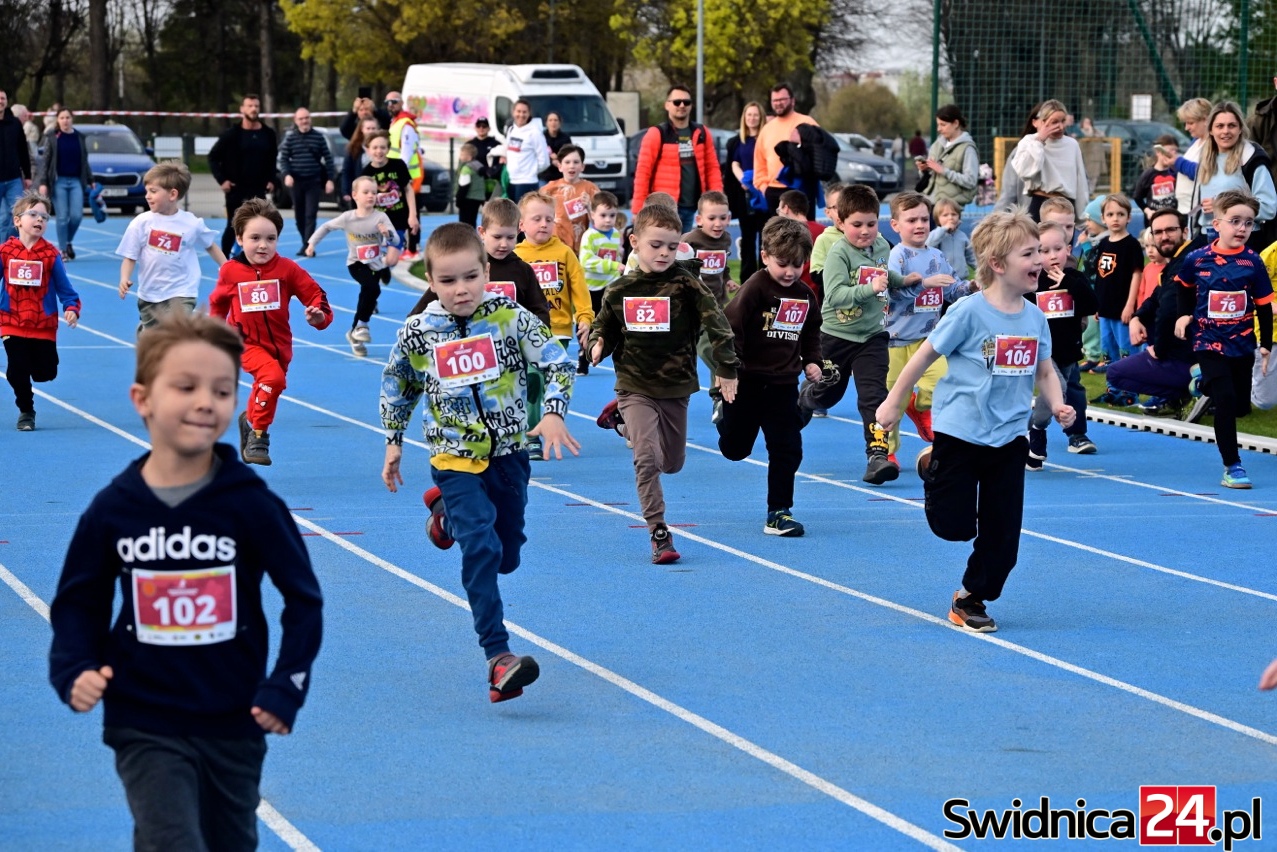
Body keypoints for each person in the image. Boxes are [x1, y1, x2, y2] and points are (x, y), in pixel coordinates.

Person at [47, 310, 323, 851]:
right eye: (186, 387)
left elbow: (303, 599)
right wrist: (74, 666)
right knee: (173, 841)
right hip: (143, 717)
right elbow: (78, 601)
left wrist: (286, 684)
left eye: (222, 390)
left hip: (233, 718)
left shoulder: (251, 505)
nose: (205, 402)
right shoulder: (115, 508)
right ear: (143, 399)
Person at [380, 223, 578, 703]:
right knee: (482, 550)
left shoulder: (510, 318)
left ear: (487, 272)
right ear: (430, 281)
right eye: (448, 281)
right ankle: (497, 656)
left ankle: (444, 516)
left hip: (509, 455)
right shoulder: (420, 332)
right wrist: (393, 440)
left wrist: (553, 413)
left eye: (470, 277)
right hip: (454, 458)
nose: (461, 289)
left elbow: (557, 361)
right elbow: (399, 384)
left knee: (508, 555)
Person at [876, 210, 1075, 634]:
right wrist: (893, 402)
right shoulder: (969, 311)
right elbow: (925, 356)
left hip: (1010, 438)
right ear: (998, 264)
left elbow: (1044, 370)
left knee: (1004, 537)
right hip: (961, 432)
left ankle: (971, 597)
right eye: (1029, 253)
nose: (1040, 260)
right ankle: (932, 464)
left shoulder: (1035, 317)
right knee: (954, 527)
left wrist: (1058, 404)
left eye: (1039, 252)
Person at [588, 203, 739, 564]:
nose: (663, 253)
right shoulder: (620, 289)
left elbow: (718, 325)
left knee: (671, 463)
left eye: (671, 247)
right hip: (634, 383)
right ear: (634, 242)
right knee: (647, 459)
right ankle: (658, 531)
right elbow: (604, 325)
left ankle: (623, 424)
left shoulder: (687, 285)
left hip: (676, 385)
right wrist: (597, 344)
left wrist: (727, 368)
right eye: (655, 245)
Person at [797, 184, 921, 484]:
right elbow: (835, 295)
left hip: (872, 336)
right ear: (841, 223)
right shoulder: (839, 253)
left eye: (871, 224)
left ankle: (877, 455)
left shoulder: (881, 246)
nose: (865, 231)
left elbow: (882, 272)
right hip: (837, 336)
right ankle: (806, 398)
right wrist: (869, 289)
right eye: (857, 225)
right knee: (829, 394)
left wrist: (902, 280)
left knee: (874, 396)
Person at [208, 199, 334, 466]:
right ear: (240, 239)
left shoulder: (287, 269)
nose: (263, 245)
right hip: (244, 342)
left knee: (269, 386)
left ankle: (250, 420)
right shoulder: (230, 271)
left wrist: (319, 317)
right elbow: (218, 303)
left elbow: (315, 294)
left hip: (280, 345)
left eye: (270, 238)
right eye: (255, 238)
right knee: (272, 379)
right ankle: (258, 436)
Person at [716, 216, 821, 535]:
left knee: (787, 447)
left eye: (797, 265)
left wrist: (812, 361)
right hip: (747, 381)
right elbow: (730, 328)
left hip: (783, 384)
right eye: (782, 264)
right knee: (736, 449)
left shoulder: (804, 295)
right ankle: (723, 413)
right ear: (765, 257)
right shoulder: (755, 287)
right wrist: (729, 370)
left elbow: (811, 331)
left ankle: (779, 511)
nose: (790, 272)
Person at [1173, 189, 1273, 488]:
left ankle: (1204, 382)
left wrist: (1265, 345)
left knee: (1240, 404)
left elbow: (1264, 305)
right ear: (1217, 224)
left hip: (1241, 342)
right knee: (1226, 400)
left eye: (1249, 223)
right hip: (1208, 339)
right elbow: (1182, 287)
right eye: (1235, 221)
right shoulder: (1197, 259)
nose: (1242, 228)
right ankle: (1233, 466)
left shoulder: (1253, 262)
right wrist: (1184, 315)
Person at [883, 192, 973, 466]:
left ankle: (920, 405)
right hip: (895, 341)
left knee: (943, 382)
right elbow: (892, 294)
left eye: (924, 219)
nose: (920, 225)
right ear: (895, 225)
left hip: (929, 340)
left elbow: (952, 289)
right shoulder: (896, 257)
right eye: (912, 220)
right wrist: (923, 284)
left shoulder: (936, 255)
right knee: (892, 399)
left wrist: (972, 287)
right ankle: (886, 451)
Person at [513, 191, 592, 456]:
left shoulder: (564, 253)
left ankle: (548, 424)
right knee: (532, 381)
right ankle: (532, 435)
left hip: (558, 331)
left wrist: (585, 317)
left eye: (549, 219)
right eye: (536, 219)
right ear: (521, 224)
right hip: (525, 334)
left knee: (549, 383)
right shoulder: (516, 256)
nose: (544, 224)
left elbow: (579, 288)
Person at [1, 191, 80, 431]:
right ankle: (26, 410)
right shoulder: (5, 252)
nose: (39, 220)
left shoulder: (51, 255)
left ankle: (40, 368)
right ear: (17, 220)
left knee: (45, 372)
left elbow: (65, 288)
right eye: (33, 214)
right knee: (16, 370)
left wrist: (71, 307)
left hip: (42, 324)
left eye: (44, 217)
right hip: (11, 320)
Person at [117, 162, 226, 334]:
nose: (147, 196)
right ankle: (145, 331)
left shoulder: (191, 223)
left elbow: (210, 246)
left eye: (153, 191)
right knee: (155, 340)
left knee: (177, 331)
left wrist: (227, 268)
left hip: (182, 290)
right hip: (150, 293)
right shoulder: (141, 222)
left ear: (172, 194)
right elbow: (130, 256)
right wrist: (124, 278)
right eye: (147, 191)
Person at [408, 197, 552, 328]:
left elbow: (540, 311)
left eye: (510, 237)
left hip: (511, 343)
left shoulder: (523, 270)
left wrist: (531, 334)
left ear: (518, 233)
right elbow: (420, 310)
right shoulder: (467, 266)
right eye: (497, 237)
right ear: (482, 232)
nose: (504, 244)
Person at [1106, 209, 1196, 414]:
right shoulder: (1176, 262)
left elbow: (1168, 310)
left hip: (1185, 354)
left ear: (1185, 231)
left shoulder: (1187, 262)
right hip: (1182, 351)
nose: (1164, 236)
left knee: (1115, 373)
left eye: (1170, 230)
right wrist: (1137, 317)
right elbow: (1156, 296)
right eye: (1158, 232)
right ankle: (1180, 394)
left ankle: (1192, 389)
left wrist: (1159, 350)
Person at [1026, 220, 1100, 469]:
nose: (1052, 256)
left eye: (1057, 249)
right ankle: (1038, 431)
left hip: (1068, 350)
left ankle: (1035, 429)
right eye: (1044, 251)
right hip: (1042, 352)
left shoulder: (1075, 278)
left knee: (1054, 395)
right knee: (1057, 388)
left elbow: (1092, 305)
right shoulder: (1033, 281)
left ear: (1068, 250)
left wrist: (1070, 284)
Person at [305, 175, 401, 356]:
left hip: (375, 264)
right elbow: (326, 227)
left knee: (369, 295)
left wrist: (386, 233)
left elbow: (395, 240)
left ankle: (355, 333)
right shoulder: (348, 218)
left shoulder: (381, 217)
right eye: (366, 192)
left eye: (374, 192)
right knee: (371, 288)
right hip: (355, 263)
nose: (371, 195)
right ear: (355, 195)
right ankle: (362, 326)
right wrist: (311, 244)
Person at [1166, 101, 1277, 248]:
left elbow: (1269, 208)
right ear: (1211, 130)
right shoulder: (1206, 156)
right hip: (1206, 236)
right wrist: (1192, 237)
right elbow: (1196, 206)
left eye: (1232, 125)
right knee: (1178, 264)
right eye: (1220, 126)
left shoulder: (1251, 158)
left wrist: (1224, 207)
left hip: (1242, 240)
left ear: (1240, 129)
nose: (1226, 131)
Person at [632, 85, 722, 230]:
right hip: (664, 209)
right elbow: (643, 172)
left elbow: (712, 168)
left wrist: (717, 201)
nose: (682, 105)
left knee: (687, 244)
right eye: (676, 102)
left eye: (686, 102)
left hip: (694, 208)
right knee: (665, 244)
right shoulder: (657, 133)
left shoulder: (701, 132)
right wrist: (638, 210)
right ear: (667, 105)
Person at [208, 94, 278, 257]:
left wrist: (272, 179)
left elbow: (272, 159)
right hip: (236, 189)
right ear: (242, 109)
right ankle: (224, 262)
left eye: (256, 106)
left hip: (258, 189)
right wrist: (222, 180)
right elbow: (213, 157)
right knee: (233, 226)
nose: (253, 109)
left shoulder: (268, 134)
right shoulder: (232, 134)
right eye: (250, 106)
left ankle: (254, 259)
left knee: (258, 226)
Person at [1003, 99, 1090, 221]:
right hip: (1040, 203)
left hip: (1066, 206)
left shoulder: (1072, 145)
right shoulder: (1029, 141)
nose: (1060, 127)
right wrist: (1039, 141)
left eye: (1063, 121)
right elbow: (1025, 172)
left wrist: (1082, 217)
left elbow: (1081, 183)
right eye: (1054, 122)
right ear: (1042, 122)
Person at [1090, 193, 1144, 370]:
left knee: (1126, 352)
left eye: (1120, 214)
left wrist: (1130, 305)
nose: (1115, 218)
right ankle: (1112, 385)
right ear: (1103, 218)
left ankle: (1130, 386)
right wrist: (1097, 305)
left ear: (1129, 217)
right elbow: (1101, 277)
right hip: (1105, 309)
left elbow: (1137, 275)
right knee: (1108, 352)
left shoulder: (1131, 245)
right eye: (1110, 214)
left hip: (1122, 310)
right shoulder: (1103, 243)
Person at [37, 108, 94, 260]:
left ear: (72, 119)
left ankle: (68, 241)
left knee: (76, 216)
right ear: (58, 120)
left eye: (67, 117)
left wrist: (91, 180)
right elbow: (46, 162)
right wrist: (43, 182)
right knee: (62, 217)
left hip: (76, 181)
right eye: (62, 118)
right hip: (58, 181)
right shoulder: (52, 137)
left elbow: (84, 161)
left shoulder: (79, 137)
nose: (65, 121)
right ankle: (62, 250)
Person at [277, 107, 335, 254]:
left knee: (311, 214)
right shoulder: (290, 138)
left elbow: (328, 159)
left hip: (313, 181)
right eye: (301, 119)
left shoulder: (318, 137)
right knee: (299, 216)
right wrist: (287, 175)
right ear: (296, 121)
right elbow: (284, 159)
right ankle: (306, 242)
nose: (304, 121)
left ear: (310, 119)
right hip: (296, 182)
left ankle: (308, 246)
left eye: (306, 118)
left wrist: (329, 179)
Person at [754, 84, 819, 214]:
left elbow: (820, 154)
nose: (778, 103)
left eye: (782, 99)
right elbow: (759, 163)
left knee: (803, 227)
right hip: (773, 192)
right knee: (777, 228)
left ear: (792, 100)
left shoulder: (807, 123)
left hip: (801, 190)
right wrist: (764, 187)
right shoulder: (766, 129)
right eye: (775, 100)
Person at [578, 191, 623, 374]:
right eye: (603, 215)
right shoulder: (589, 236)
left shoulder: (616, 235)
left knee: (611, 322)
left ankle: (614, 353)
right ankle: (583, 357)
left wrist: (619, 273)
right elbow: (586, 261)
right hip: (591, 288)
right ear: (592, 215)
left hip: (610, 286)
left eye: (612, 215)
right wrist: (613, 265)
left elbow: (617, 259)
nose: (608, 220)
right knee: (589, 324)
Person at [726, 101, 768, 281]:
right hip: (745, 196)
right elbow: (734, 163)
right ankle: (747, 282)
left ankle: (766, 278)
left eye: (755, 115)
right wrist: (743, 180)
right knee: (748, 239)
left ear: (761, 117)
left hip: (764, 194)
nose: (752, 118)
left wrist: (757, 181)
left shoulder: (766, 139)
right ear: (744, 117)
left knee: (765, 239)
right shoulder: (738, 141)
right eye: (749, 114)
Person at [361, 130, 418, 260]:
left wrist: (413, 215)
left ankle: (387, 263)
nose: (379, 151)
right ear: (368, 150)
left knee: (391, 260)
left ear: (388, 149)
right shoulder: (366, 173)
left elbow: (408, 190)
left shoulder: (398, 165)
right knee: (371, 259)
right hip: (376, 222)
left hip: (397, 220)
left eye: (382, 147)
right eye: (375, 148)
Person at [918, 104, 980, 212]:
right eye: (938, 125)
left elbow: (971, 181)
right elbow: (931, 176)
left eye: (943, 125)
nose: (939, 129)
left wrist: (943, 171)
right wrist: (924, 170)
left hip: (949, 209)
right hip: (930, 203)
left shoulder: (968, 149)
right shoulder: (936, 145)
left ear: (956, 123)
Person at [542, 144, 600, 252]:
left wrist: (589, 207)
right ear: (560, 166)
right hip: (553, 245)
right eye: (567, 162)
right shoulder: (549, 189)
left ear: (582, 166)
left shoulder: (591, 189)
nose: (571, 166)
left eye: (576, 162)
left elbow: (601, 223)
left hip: (580, 247)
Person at [386, 91, 423, 257]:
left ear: (401, 103)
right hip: (398, 174)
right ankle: (405, 247)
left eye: (394, 101)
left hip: (409, 176)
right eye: (387, 102)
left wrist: (398, 173)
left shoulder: (406, 124)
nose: (390, 105)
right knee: (401, 211)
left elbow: (406, 153)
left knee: (411, 213)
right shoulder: (395, 122)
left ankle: (412, 248)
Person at [0, 90, 33, 243]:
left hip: (13, 179)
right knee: (3, 218)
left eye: (3, 98)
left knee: (18, 216)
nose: (0, 101)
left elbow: (23, 150)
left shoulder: (15, 123)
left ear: (6, 101)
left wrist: (28, 175)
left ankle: (6, 249)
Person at [503, 99, 549, 203]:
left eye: (524, 112)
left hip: (527, 182)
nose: (521, 115)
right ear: (513, 112)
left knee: (524, 213)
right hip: (511, 181)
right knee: (512, 213)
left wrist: (531, 172)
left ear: (529, 114)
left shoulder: (535, 133)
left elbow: (545, 161)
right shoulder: (511, 130)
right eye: (518, 111)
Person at [1174, 97, 1213, 218]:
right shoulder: (1196, 141)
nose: (1187, 128)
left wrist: (1177, 162)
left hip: (1198, 212)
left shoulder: (1213, 144)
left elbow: (1203, 172)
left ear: (1205, 120)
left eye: (1190, 123)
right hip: (1184, 208)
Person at [1131, 135, 1180, 221]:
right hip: (1154, 219)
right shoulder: (1148, 174)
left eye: (1175, 152)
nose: (1171, 155)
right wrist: (1148, 211)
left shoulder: (1177, 173)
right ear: (1158, 152)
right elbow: (1137, 197)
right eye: (1168, 152)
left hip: (1173, 218)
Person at [926, 197, 975, 278]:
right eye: (945, 215)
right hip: (941, 279)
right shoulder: (936, 234)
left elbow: (971, 256)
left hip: (960, 279)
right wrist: (944, 229)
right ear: (937, 219)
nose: (950, 218)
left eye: (954, 214)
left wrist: (981, 269)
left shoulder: (962, 236)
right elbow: (928, 244)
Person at [342, 116, 380, 209]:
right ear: (362, 129)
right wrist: (346, 191)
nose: (371, 131)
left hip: (379, 191)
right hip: (360, 192)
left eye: (373, 128)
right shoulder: (353, 148)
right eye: (368, 128)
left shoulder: (382, 148)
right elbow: (347, 171)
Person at [454, 142, 489, 228]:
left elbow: (464, 186)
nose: (460, 157)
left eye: (462, 155)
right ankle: (473, 236)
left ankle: (465, 237)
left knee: (464, 223)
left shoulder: (466, 168)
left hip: (467, 198)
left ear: (469, 157)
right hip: (477, 198)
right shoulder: (479, 165)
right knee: (472, 221)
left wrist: (459, 200)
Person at [540, 111, 572, 182]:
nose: (553, 123)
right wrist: (551, 161)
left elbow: (569, 155)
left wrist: (558, 157)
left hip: (561, 176)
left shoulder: (565, 138)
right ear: (546, 123)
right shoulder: (541, 137)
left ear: (560, 123)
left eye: (555, 120)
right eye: (550, 120)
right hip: (544, 176)